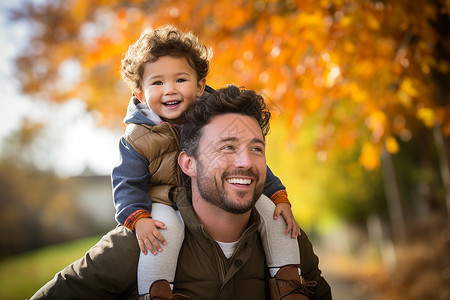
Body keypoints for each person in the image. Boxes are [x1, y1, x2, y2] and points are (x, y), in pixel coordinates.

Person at [29, 85, 331, 299]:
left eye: (256, 148)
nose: (245, 162)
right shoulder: (142, 243)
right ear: (189, 163)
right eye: (227, 147)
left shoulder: (289, 240)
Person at [112, 25, 301, 296]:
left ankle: (289, 282)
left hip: (219, 191)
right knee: (164, 234)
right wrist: (138, 217)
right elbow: (125, 183)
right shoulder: (137, 136)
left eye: (180, 80)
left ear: (200, 86)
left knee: (274, 216)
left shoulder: (217, 119)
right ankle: (156, 291)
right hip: (164, 201)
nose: (170, 90)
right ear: (140, 94)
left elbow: (247, 160)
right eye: (157, 83)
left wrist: (279, 196)